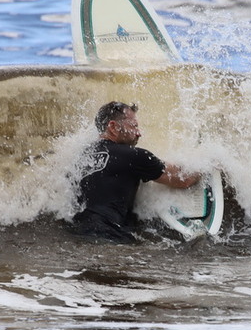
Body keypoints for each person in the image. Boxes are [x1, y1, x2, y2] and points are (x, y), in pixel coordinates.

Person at [71, 101, 201, 242]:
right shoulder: (134, 156)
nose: (139, 133)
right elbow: (184, 180)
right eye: (134, 126)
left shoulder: (82, 156)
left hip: (77, 234)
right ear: (113, 127)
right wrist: (207, 166)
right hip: (110, 236)